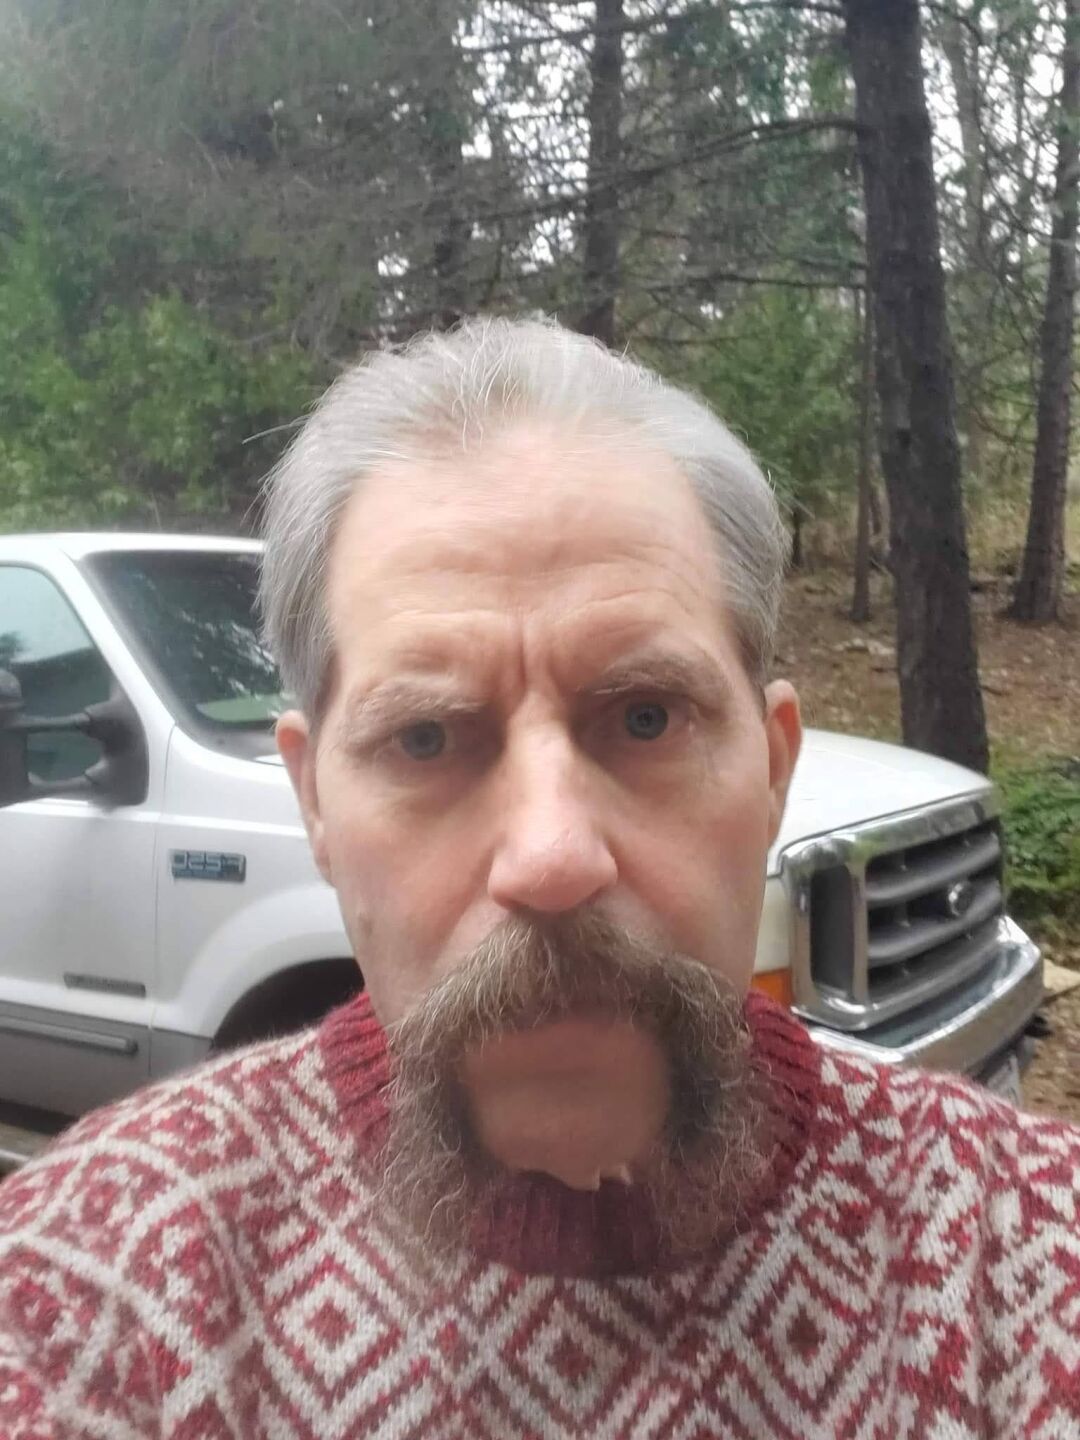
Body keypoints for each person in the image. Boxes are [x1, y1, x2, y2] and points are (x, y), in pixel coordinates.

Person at [1, 317, 1077, 1440]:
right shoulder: (90, 1288)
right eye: (426, 737)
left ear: (772, 768)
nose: (553, 859)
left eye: (647, 717)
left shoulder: (1021, 1255)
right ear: (315, 801)